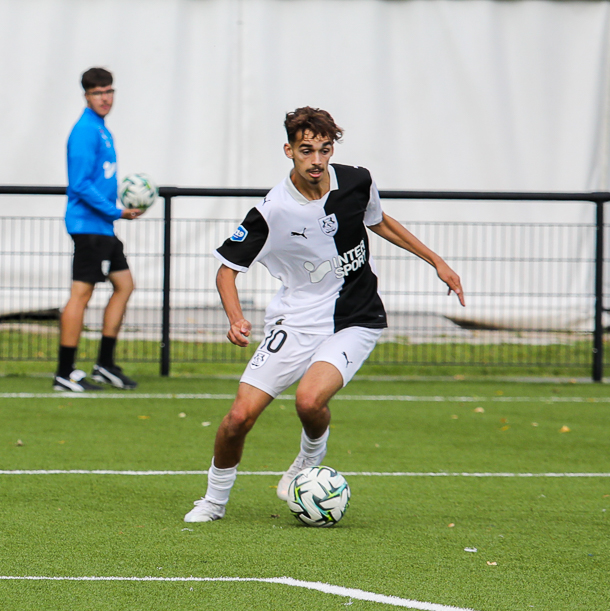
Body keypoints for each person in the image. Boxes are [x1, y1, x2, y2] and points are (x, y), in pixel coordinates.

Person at [184, 106, 465, 522]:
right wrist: (235, 318)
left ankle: (308, 459)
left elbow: (379, 221)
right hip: (294, 319)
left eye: (324, 149)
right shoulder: (272, 211)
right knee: (237, 418)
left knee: (309, 401)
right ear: (288, 151)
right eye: (306, 150)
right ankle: (214, 501)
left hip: (356, 316)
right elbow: (227, 271)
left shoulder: (357, 181)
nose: (316, 160)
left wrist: (435, 259)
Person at [54, 67, 144, 392]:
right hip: (89, 226)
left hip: (103, 227)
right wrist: (116, 210)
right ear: (86, 96)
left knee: (125, 284)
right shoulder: (85, 131)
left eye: (109, 92)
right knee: (81, 294)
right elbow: (79, 185)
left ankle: (105, 364)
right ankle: (65, 372)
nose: (105, 98)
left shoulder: (102, 130)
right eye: (98, 93)